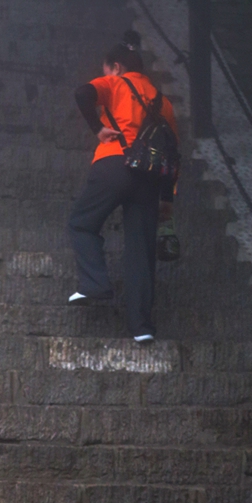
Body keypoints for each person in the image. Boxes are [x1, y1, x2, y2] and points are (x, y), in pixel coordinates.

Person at [68, 37, 178, 343]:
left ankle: (94, 284)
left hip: (114, 164)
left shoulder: (115, 84)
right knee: (141, 251)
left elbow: (82, 93)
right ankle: (142, 327)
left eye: (106, 70)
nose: (105, 74)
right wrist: (167, 198)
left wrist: (98, 128)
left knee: (81, 224)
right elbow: (172, 152)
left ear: (116, 67)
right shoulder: (164, 102)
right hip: (150, 178)